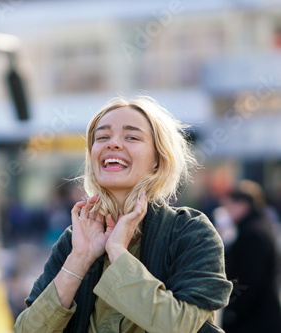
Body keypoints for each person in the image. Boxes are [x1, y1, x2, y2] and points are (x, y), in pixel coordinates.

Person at [14, 96, 233, 333]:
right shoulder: (73, 241)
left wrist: (118, 252)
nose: (113, 144)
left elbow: (178, 327)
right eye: (102, 137)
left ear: (158, 160)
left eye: (132, 137)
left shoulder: (191, 232)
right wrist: (79, 259)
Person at [220, 180, 281, 333]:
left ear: (242, 205)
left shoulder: (252, 233)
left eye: (229, 206)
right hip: (262, 314)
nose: (227, 212)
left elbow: (248, 279)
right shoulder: (259, 225)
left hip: (255, 319)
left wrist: (233, 309)